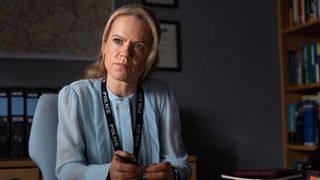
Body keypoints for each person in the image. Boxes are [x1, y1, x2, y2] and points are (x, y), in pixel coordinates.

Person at [56, 4, 191, 180]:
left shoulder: (163, 95)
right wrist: (106, 173)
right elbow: (66, 171)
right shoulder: (75, 96)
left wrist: (173, 173)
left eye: (138, 46)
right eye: (118, 40)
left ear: (149, 57)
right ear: (104, 45)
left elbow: (181, 164)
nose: (125, 53)